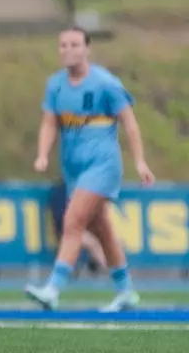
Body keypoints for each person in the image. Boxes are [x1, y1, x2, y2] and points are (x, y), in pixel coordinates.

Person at [25, 27, 154, 312]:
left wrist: (140, 161)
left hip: (102, 166)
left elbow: (130, 123)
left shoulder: (105, 84)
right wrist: (43, 154)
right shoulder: (55, 85)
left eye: (74, 44)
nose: (67, 49)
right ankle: (126, 291)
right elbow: (49, 122)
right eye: (62, 45)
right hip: (74, 168)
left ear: (87, 49)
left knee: (73, 222)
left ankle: (53, 289)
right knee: (102, 229)